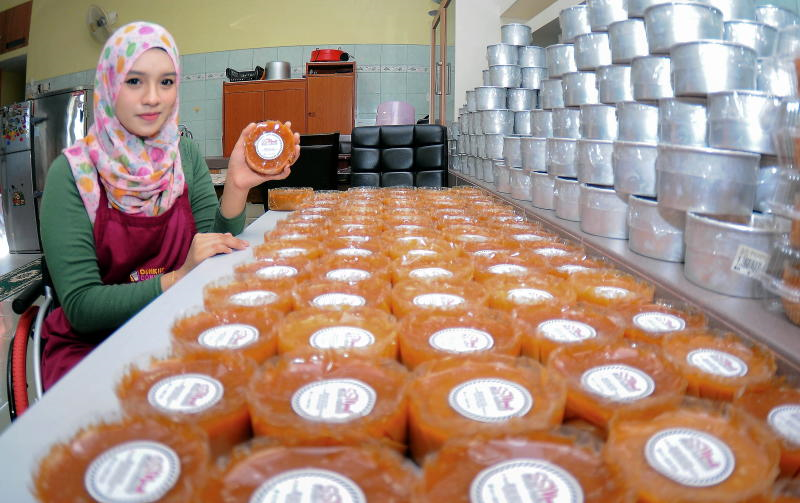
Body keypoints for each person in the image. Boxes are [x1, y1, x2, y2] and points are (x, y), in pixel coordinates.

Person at [38, 21, 298, 390]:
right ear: (109, 85)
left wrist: (238, 186)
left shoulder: (183, 154)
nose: (153, 98)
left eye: (166, 82)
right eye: (134, 81)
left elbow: (212, 239)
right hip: (97, 346)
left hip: (179, 321)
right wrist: (176, 278)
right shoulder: (72, 174)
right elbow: (82, 307)